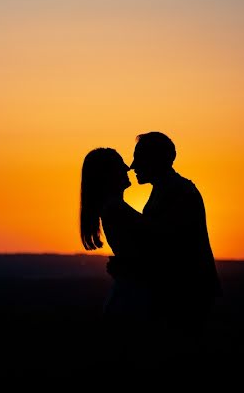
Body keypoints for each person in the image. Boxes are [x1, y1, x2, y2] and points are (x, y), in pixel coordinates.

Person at [102, 132, 222, 360]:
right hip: (179, 294)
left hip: (188, 296)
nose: (133, 166)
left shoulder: (180, 192)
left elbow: (163, 239)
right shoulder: (165, 191)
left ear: (158, 159)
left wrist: (118, 209)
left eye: (140, 159)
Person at [79, 147, 153, 354]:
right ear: (107, 174)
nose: (127, 167)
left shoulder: (114, 208)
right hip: (133, 300)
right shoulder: (115, 209)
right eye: (120, 164)